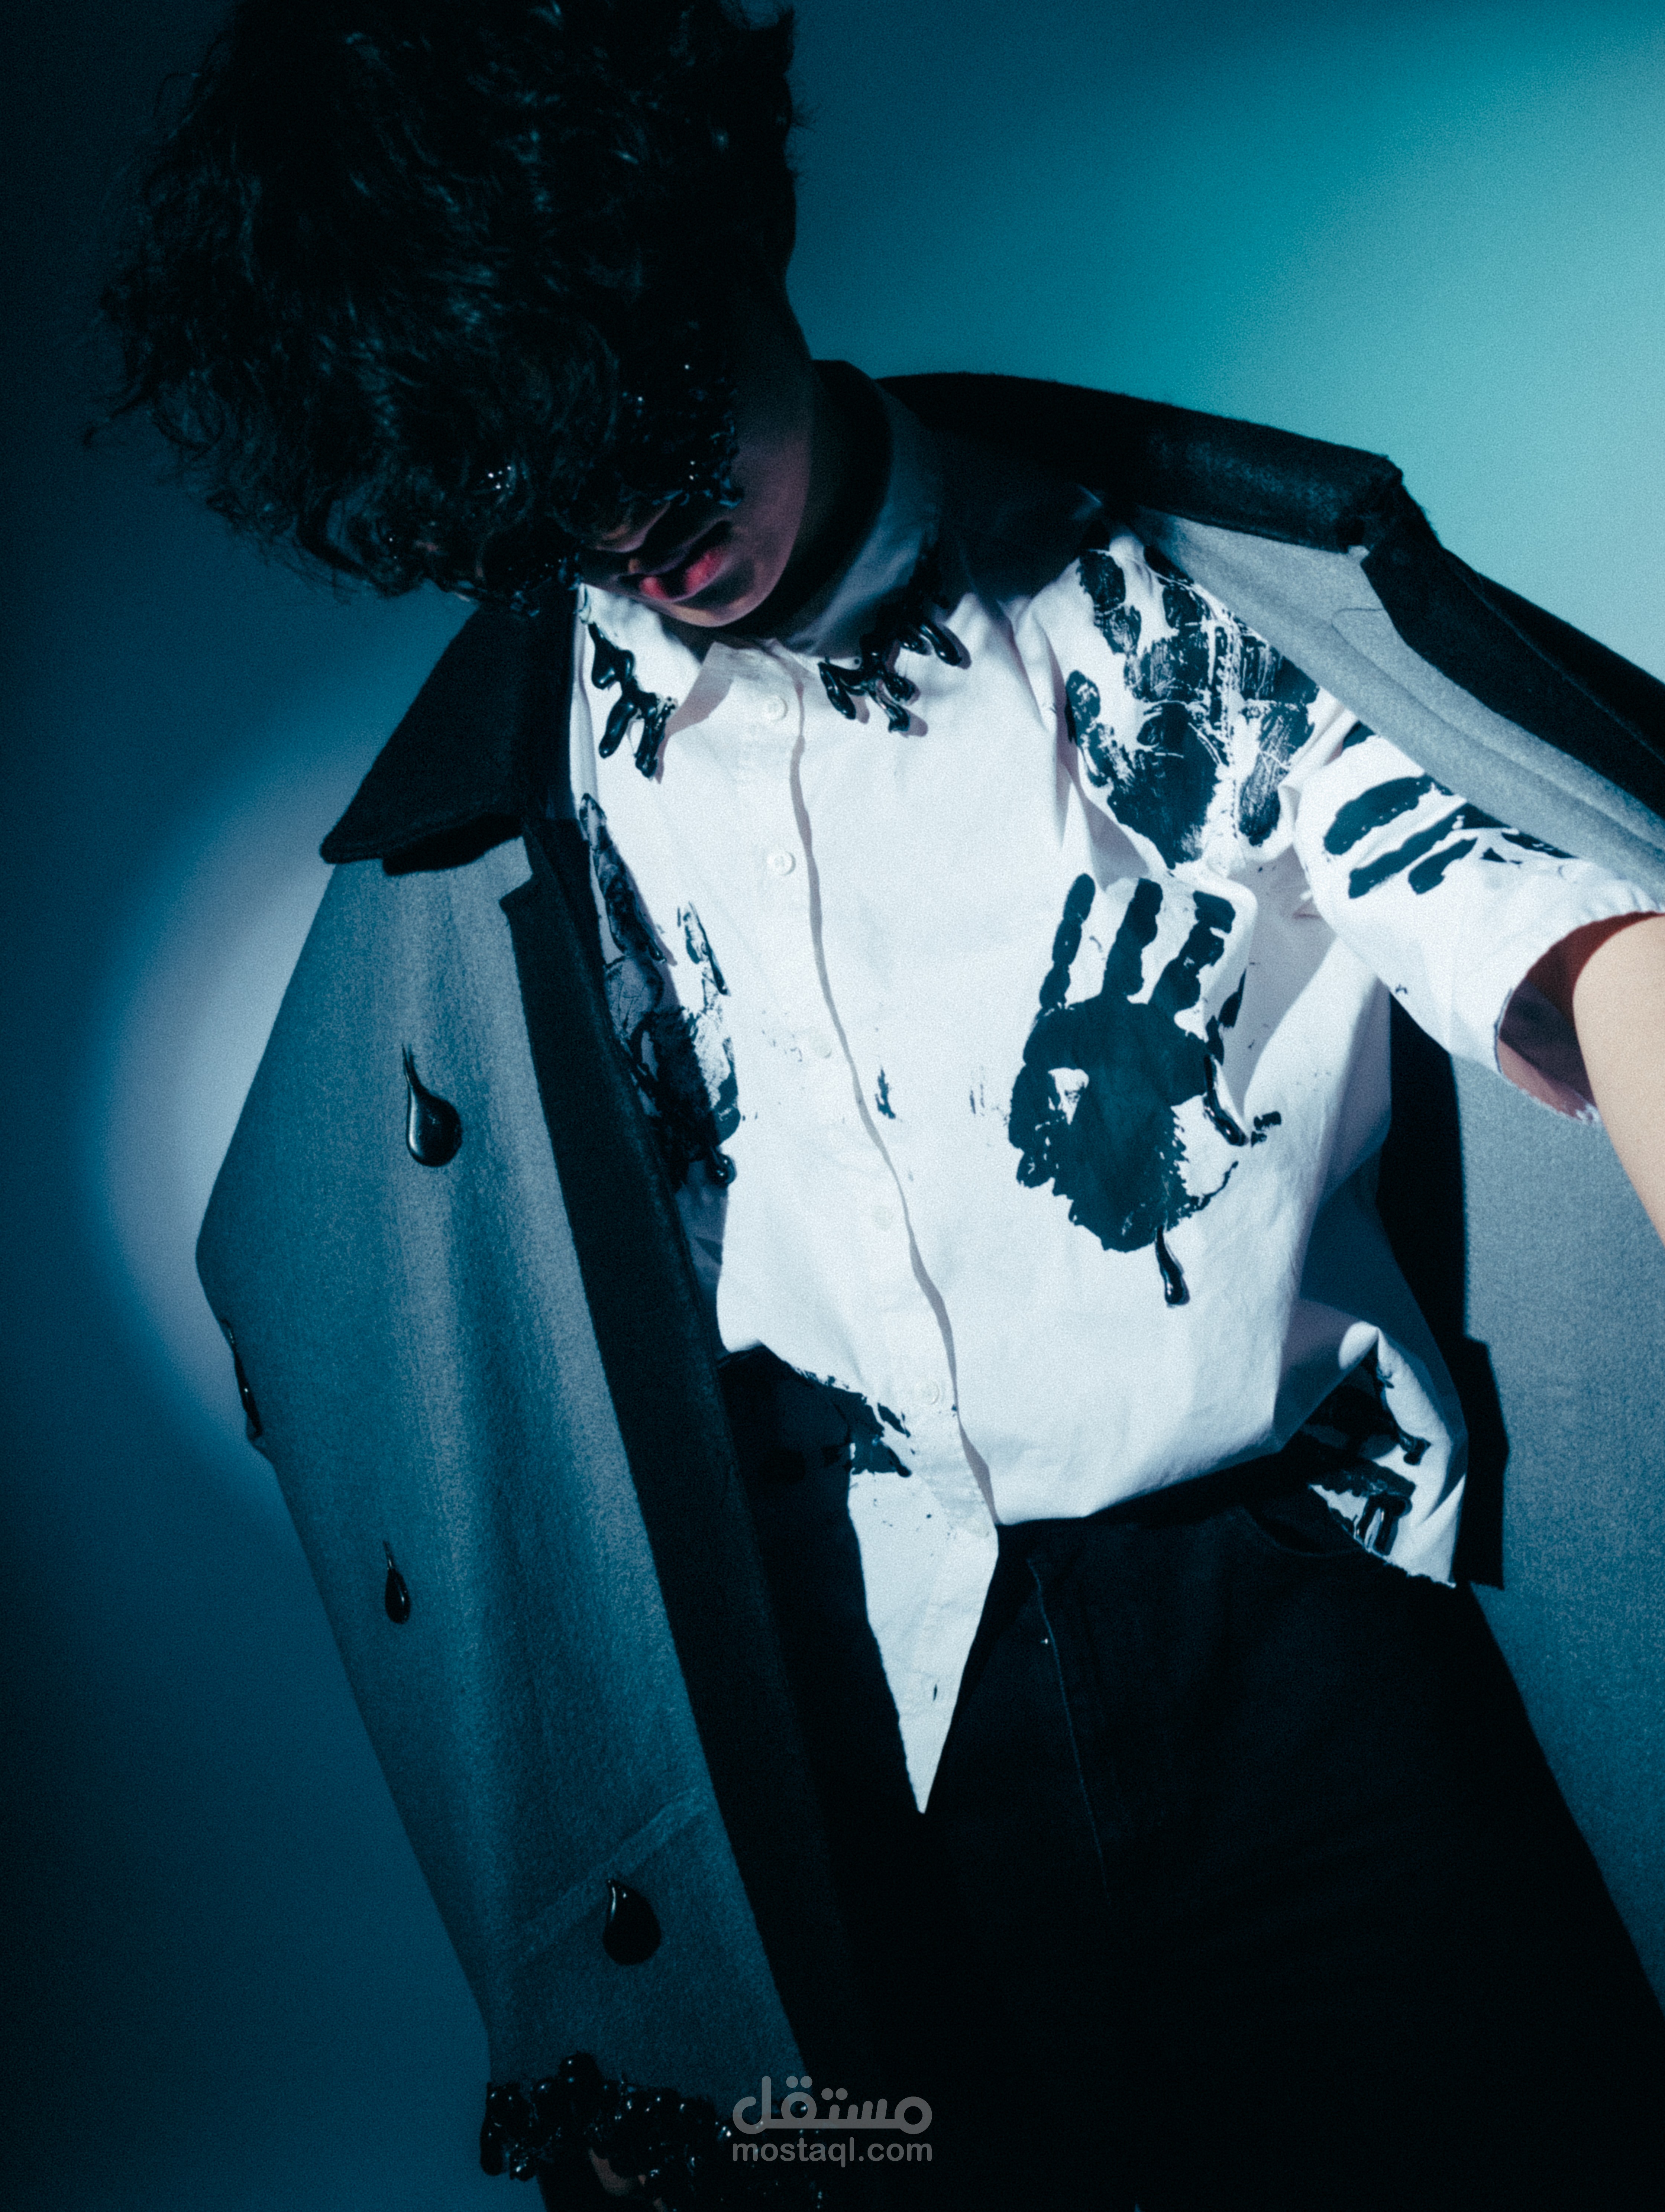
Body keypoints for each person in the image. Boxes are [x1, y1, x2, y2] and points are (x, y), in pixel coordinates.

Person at [99, 1, 1665, 2205]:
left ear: (730, 231)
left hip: (1297, 1637)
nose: (650, 537)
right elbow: (391, 1305)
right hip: (869, 1721)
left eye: (667, 429)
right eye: (559, 501)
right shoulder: (512, 814)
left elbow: (1562, 911)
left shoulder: (1159, 608)